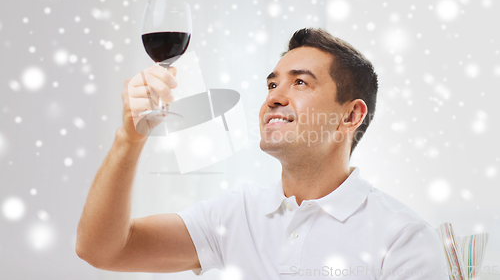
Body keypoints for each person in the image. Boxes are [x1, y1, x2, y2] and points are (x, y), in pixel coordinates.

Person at [76, 28, 448, 279]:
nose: (273, 96)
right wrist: (129, 138)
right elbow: (104, 250)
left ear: (350, 115)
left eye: (300, 82)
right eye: (272, 83)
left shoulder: (403, 238)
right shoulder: (236, 215)